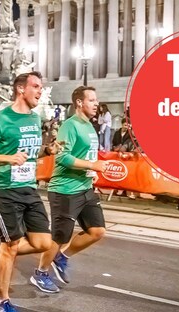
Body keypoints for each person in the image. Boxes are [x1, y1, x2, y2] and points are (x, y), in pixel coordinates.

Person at [0, 71, 52, 312]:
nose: (41, 91)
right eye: (36, 86)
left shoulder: (34, 118)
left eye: (41, 87)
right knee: (11, 246)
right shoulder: (1, 119)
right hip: (5, 190)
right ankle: (1, 301)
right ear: (21, 89)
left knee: (43, 242)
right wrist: (9, 158)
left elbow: (29, 152)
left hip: (29, 188)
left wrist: (47, 150)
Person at [31, 86, 109, 293]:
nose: (96, 104)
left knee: (97, 231)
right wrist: (92, 166)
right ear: (79, 103)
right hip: (65, 189)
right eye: (91, 100)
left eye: (96, 99)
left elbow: (86, 156)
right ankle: (40, 273)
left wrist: (92, 171)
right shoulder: (70, 125)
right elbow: (62, 158)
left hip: (85, 187)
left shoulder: (90, 126)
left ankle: (62, 258)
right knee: (60, 237)